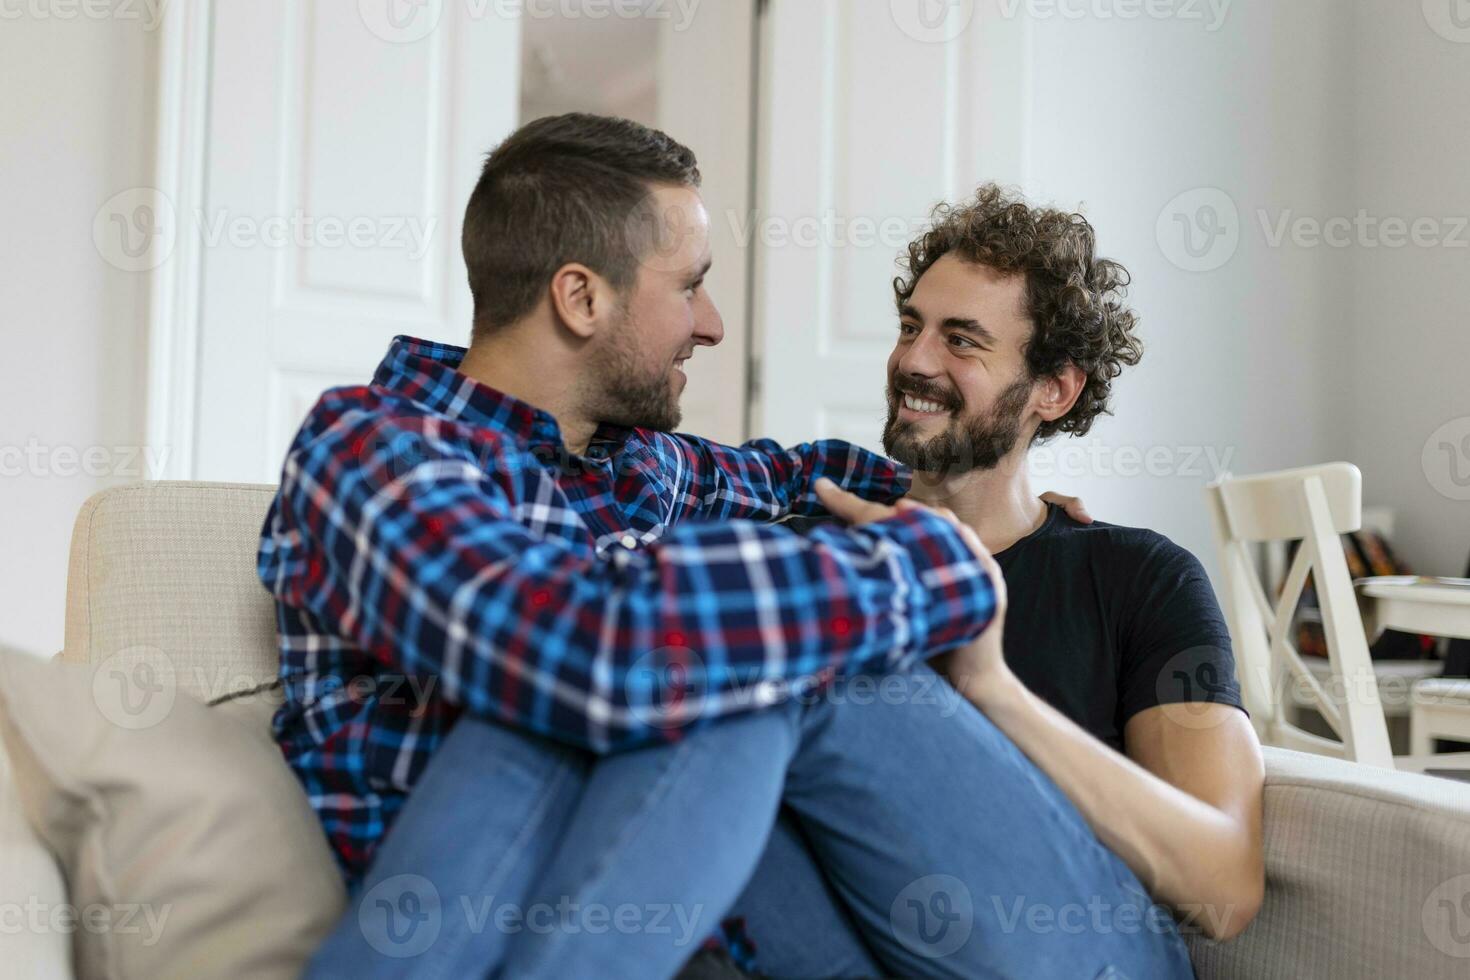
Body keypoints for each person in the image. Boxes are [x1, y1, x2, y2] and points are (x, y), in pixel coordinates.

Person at [260, 114, 1206, 978]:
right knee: (689, 666)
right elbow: (587, 652)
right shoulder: (378, 450)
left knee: (741, 656)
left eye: (960, 341)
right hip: (487, 899)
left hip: (782, 916)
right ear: (581, 299)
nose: (713, 325)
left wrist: (987, 493)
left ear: (1056, 386)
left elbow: (802, 475)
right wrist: (932, 564)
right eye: (693, 286)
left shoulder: (646, 468)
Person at [736, 184, 1266, 975]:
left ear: (1054, 389)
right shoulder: (811, 542)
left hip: (1082, 949)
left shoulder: (1135, 576)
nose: (913, 360)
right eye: (911, 326)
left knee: (826, 670)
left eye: (961, 341)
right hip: (872, 937)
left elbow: (1224, 888)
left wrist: (987, 685)